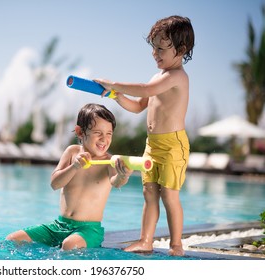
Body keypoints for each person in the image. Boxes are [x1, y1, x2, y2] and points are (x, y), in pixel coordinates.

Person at [94, 15, 195, 256]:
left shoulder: (177, 77)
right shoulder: (157, 77)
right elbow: (139, 106)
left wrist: (115, 84)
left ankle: (176, 245)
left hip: (173, 146)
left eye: (161, 48)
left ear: (180, 50)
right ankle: (145, 240)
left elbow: (147, 90)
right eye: (153, 47)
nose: (154, 53)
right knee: (149, 193)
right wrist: (117, 97)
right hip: (153, 145)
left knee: (169, 195)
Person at [6, 103, 133, 250]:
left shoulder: (109, 162)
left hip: (89, 230)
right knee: (12, 239)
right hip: (59, 226)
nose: (104, 139)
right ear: (80, 132)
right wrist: (75, 167)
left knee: (69, 245)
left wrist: (124, 175)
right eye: (98, 133)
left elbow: (116, 182)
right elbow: (55, 184)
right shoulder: (72, 152)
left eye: (109, 134)